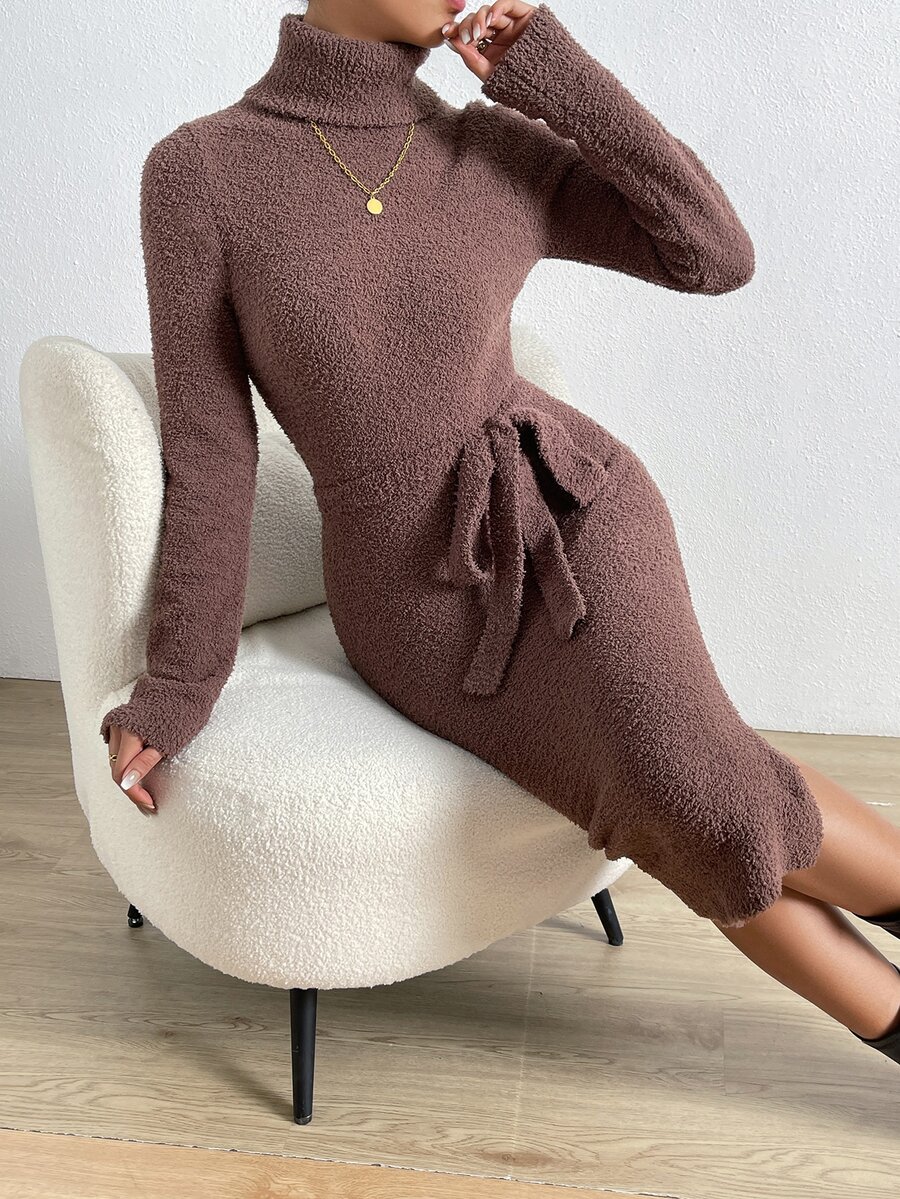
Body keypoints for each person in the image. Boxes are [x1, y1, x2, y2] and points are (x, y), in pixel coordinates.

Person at [100, 1, 900, 1062]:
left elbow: (715, 254)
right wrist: (180, 681)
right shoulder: (201, 173)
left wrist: (558, 77)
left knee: (698, 783)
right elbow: (210, 455)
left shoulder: (490, 148)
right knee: (692, 790)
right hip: (415, 612)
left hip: (574, 514)